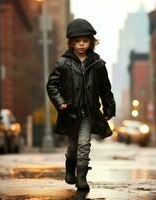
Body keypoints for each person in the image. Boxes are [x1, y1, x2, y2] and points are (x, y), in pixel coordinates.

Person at [46, 18, 115, 191]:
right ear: (71, 43)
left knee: (84, 144)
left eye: (85, 41)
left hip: (88, 113)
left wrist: (108, 108)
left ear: (91, 42)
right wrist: (60, 102)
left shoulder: (98, 65)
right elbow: (52, 85)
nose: (81, 45)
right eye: (77, 42)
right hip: (70, 112)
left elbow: (105, 89)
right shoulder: (63, 63)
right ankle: (70, 169)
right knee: (73, 146)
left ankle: (82, 177)